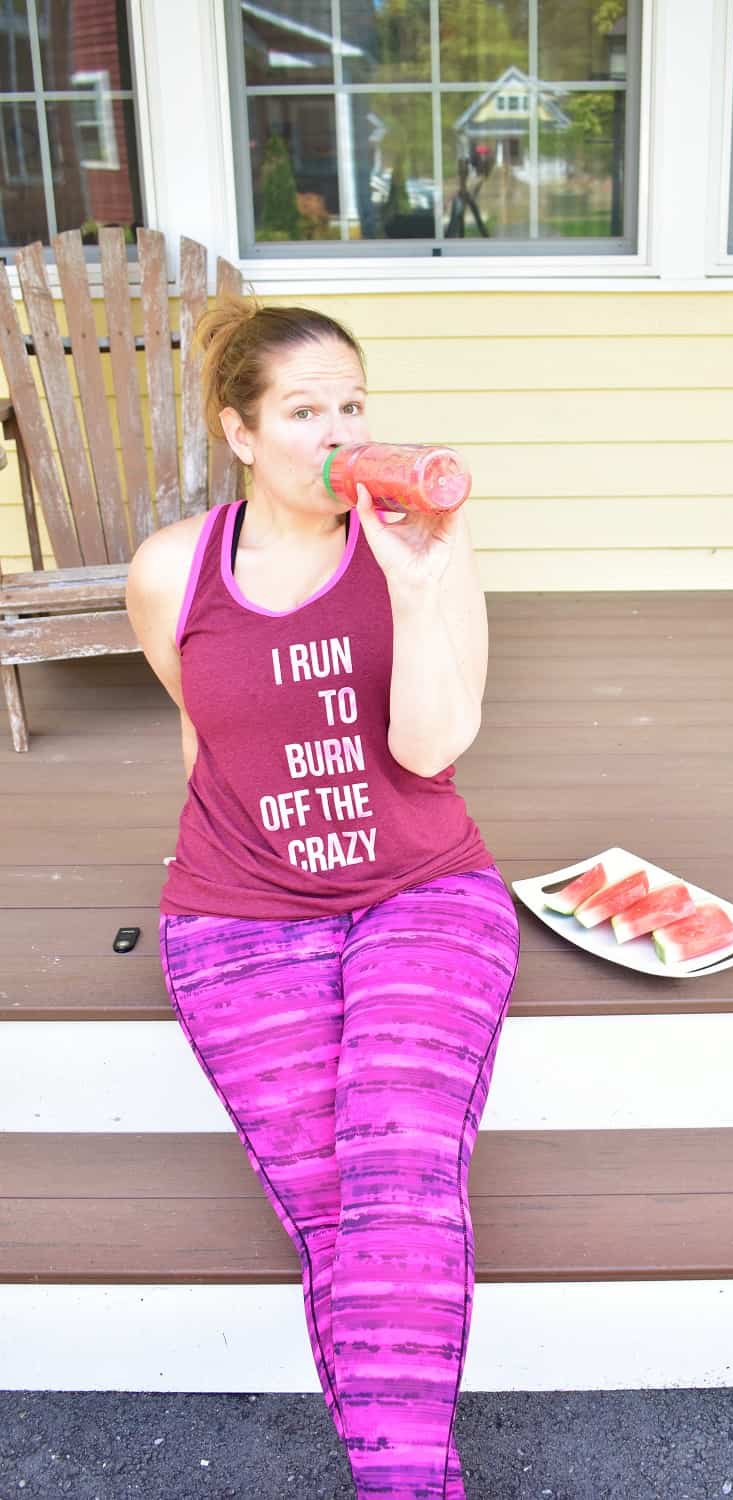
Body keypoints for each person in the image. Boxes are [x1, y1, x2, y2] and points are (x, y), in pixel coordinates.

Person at [125, 296, 521, 1499]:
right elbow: (209, 731)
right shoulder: (169, 570)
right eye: (305, 411)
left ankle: (408, 1485)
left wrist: (413, 583)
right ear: (241, 433)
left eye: (351, 405)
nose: (337, 432)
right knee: (333, 1208)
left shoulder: (425, 549)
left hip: (420, 891)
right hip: (238, 914)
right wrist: (217, 874)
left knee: (398, 1165)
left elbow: (431, 744)